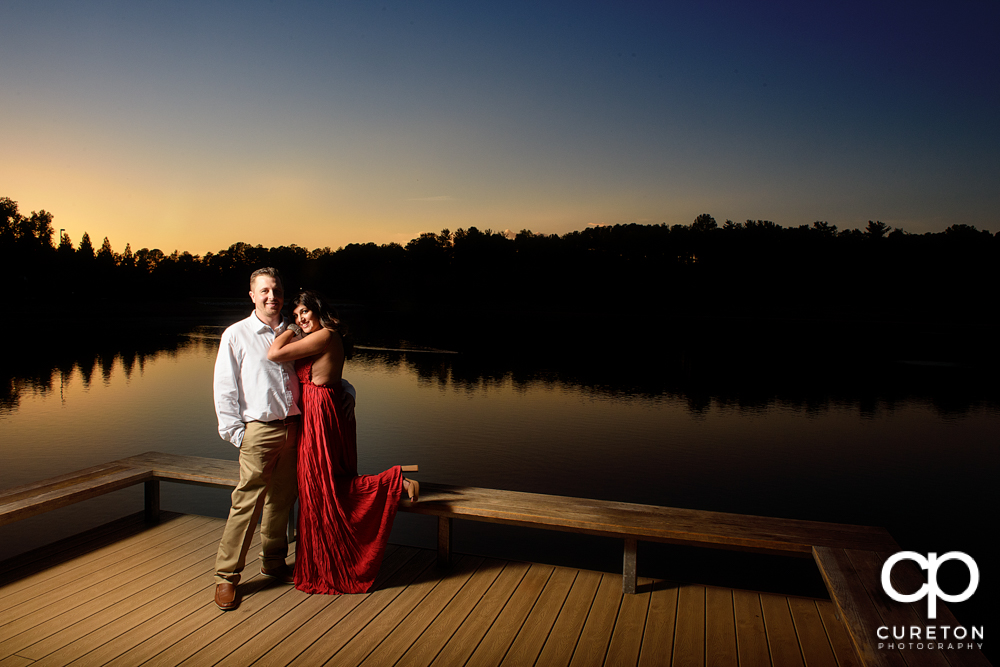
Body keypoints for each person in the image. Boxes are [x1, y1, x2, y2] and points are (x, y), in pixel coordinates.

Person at [212, 268, 356, 611]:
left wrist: (347, 389)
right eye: (264, 291)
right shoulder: (237, 335)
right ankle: (226, 576)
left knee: (282, 500)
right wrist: (236, 432)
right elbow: (224, 387)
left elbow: (322, 371)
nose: (271, 296)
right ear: (252, 295)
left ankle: (273, 561)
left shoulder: (295, 331)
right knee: (247, 502)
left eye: (276, 290)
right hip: (258, 430)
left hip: (297, 427)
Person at [267, 289, 418, 595]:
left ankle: (393, 482)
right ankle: (317, 562)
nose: (299, 320)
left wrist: (289, 329)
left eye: (304, 313)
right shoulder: (324, 336)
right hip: (318, 409)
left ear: (318, 311)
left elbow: (274, 354)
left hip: (321, 415)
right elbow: (330, 375)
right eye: (295, 316)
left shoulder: (325, 335)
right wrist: (348, 390)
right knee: (319, 486)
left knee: (324, 485)